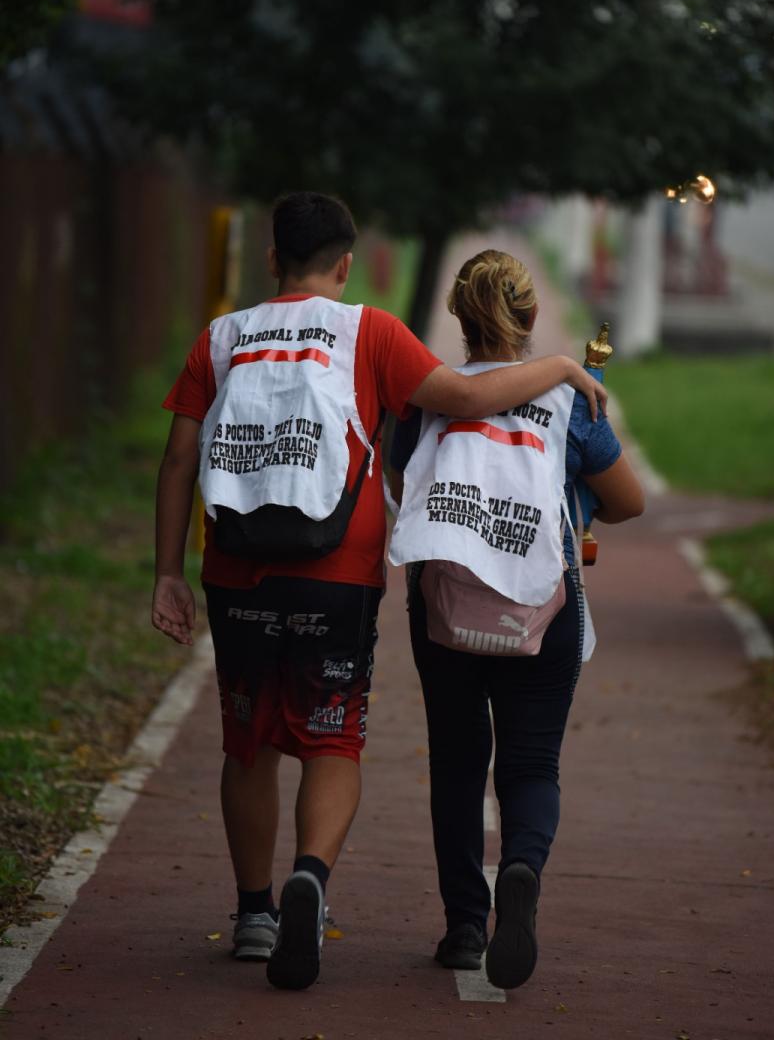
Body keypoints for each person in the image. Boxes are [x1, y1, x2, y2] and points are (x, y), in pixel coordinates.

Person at [151, 196, 609, 992]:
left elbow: (177, 461)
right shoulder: (366, 331)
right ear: (345, 264)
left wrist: (165, 572)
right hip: (336, 576)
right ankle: (310, 880)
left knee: (248, 741)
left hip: (234, 573)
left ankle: (256, 911)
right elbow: (467, 397)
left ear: (271, 260)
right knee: (332, 739)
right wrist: (566, 368)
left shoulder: (219, 338)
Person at [388, 249, 644, 990]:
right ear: (529, 317)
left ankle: (465, 926)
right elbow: (628, 501)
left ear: (459, 319)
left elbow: (406, 481)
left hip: (444, 604)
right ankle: (522, 868)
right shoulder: (575, 401)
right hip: (542, 603)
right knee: (530, 763)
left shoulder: (427, 395)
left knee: (457, 762)